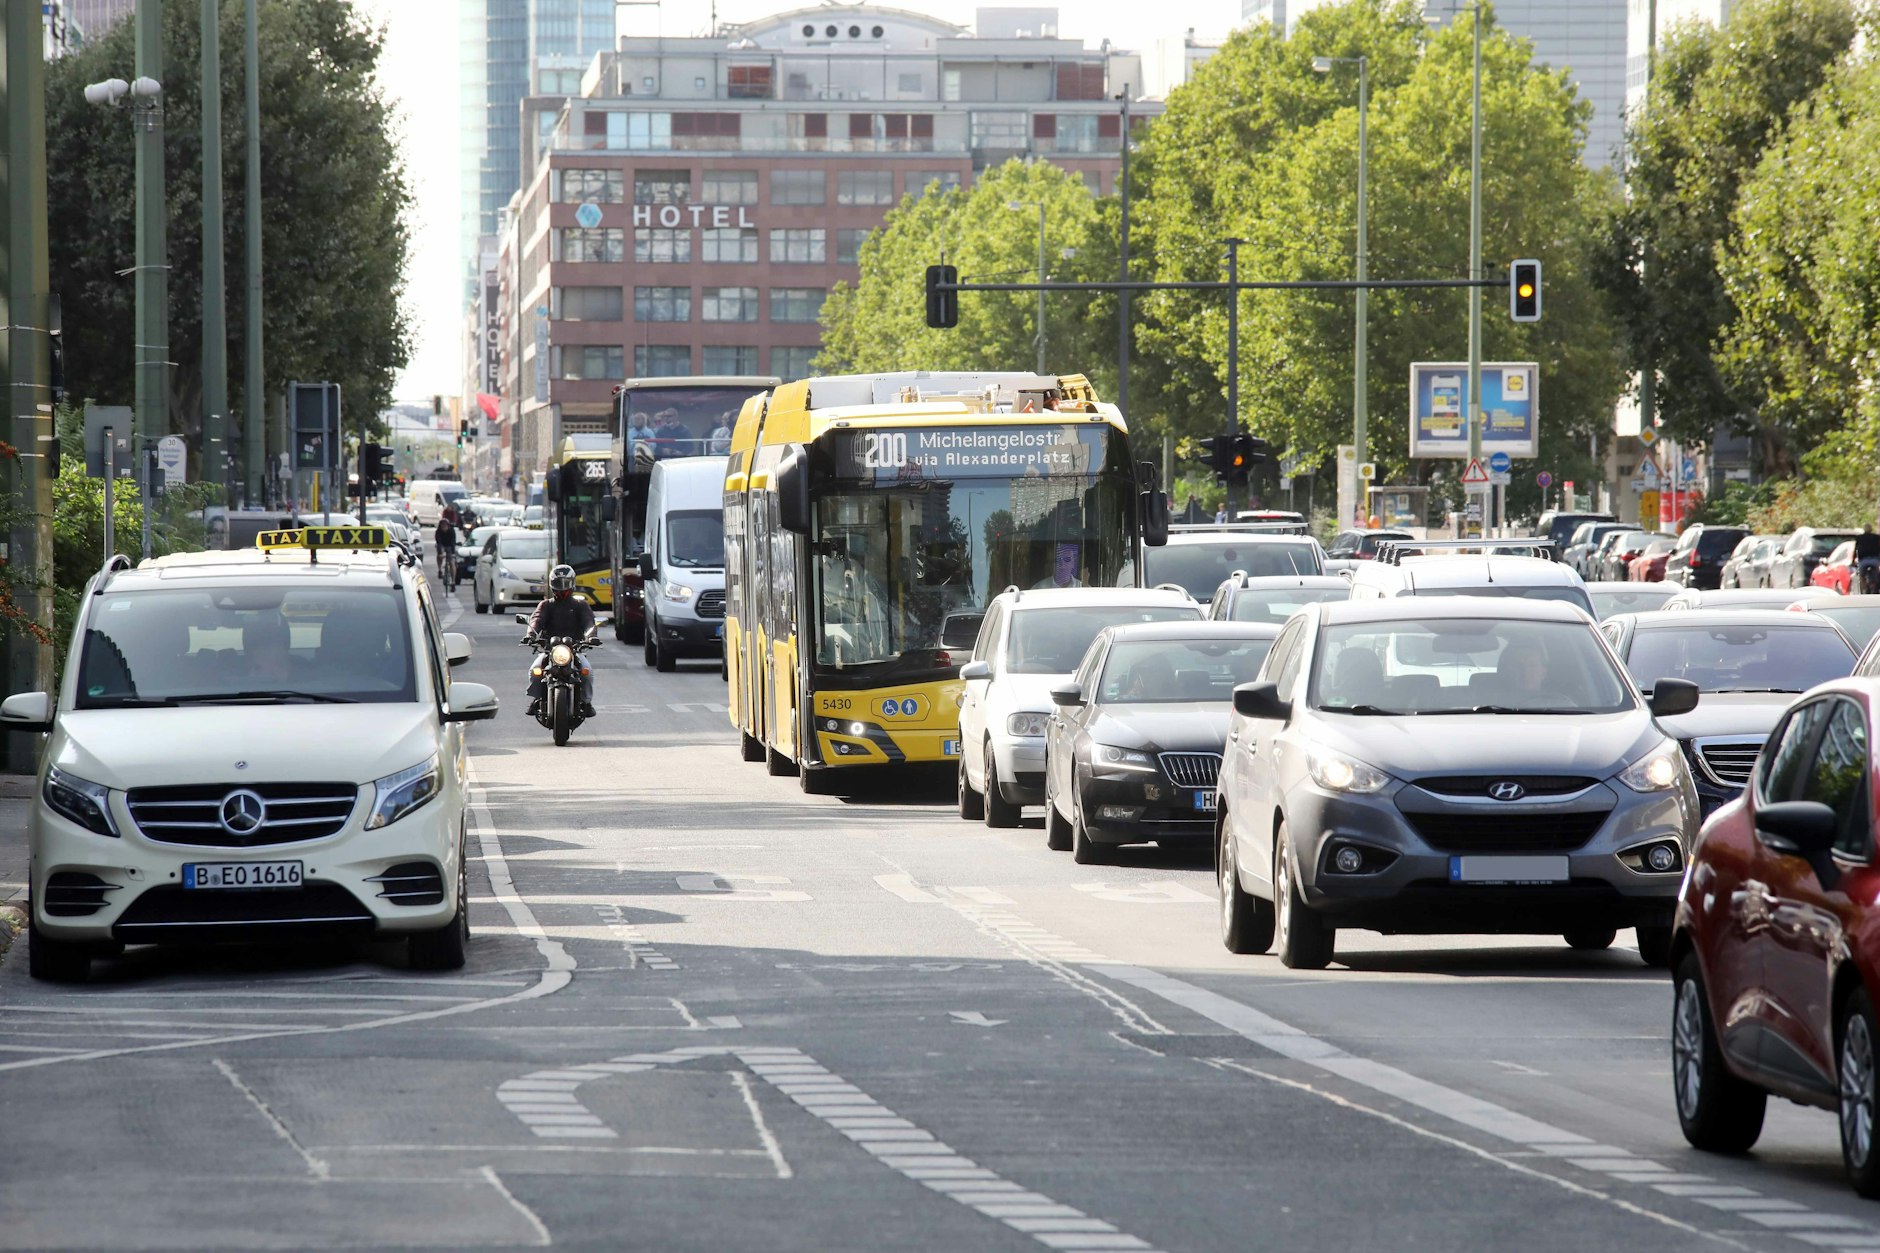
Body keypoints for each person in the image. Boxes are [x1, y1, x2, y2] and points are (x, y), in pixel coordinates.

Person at [526, 564, 598, 719]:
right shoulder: (546, 605)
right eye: (558, 583)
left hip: (575, 650)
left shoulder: (580, 604)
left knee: (587, 672)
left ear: (572, 583)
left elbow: (588, 622)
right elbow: (536, 620)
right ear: (552, 585)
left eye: (565, 583)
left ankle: (586, 702)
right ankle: (537, 699)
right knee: (535, 671)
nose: (562, 588)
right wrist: (531, 634)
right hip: (549, 650)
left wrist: (591, 636)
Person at [1855, 524, 1880, 593]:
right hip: (1875, 560)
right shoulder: (1876, 537)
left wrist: (1854, 559)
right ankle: (1873, 586)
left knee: (1861, 576)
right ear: (1871, 529)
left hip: (1863, 561)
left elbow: (1856, 550)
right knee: (1876, 575)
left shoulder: (1859, 538)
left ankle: (1862, 589)